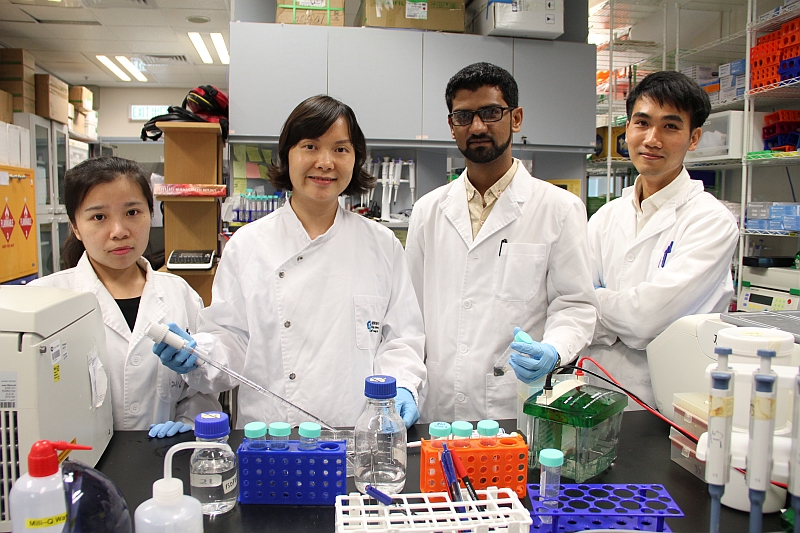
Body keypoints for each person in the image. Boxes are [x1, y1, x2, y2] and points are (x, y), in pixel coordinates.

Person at [153, 95, 427, 428]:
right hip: (272, 436)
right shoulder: (248, 246)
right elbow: (232, 339)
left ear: (356, 159)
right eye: (310, 146)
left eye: (341, 149)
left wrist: (401, 386)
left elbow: (401, 339)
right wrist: (198, 356)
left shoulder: (382, 245)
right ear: (287, 155)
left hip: (359, 434)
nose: (325, 162)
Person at [405, 62, 598, 423]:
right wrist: (405, 381)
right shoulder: (427, 211)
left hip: (512, 404)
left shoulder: (558, 209)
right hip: (437, 405)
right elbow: (408, 314)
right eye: (464, 116)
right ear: (451, 126)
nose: (477, 127)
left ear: (516, 118)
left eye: (491, 112)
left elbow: (575, 306)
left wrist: (554, 349)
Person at [30, 156, 221, 438]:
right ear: (75, 226)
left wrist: (189, 422)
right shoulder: (43, 300)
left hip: (163, 460)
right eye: (98, 217)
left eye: (132, 212)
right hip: (75, 462)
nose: (119, 232)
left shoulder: (178, 293)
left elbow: (200, 391)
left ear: (150, 213)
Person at [586, 71, 739, 408]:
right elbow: (572, 305)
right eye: (642, 123)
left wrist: (596, 302)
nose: (652, 139)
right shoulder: (606, 217)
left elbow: (645, 321)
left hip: (664, 404)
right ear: (627, 130)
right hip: (592, 391)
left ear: (694, 137)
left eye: (670, 126)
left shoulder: (711, 222)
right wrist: (605, 309)